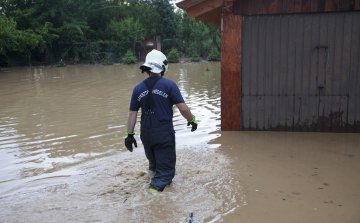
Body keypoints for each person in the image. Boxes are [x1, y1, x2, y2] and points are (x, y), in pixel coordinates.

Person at [125, 49, 197, 192]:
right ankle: (152, 198)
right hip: (163, 133)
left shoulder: (137, 88)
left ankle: (151, 179)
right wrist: (192, 120)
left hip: (145, 134)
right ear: (163, 66)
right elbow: (183, 108)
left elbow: (132, 113)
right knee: (165, 173)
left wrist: (129, 135)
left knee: (154, 165)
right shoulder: (169, 85)